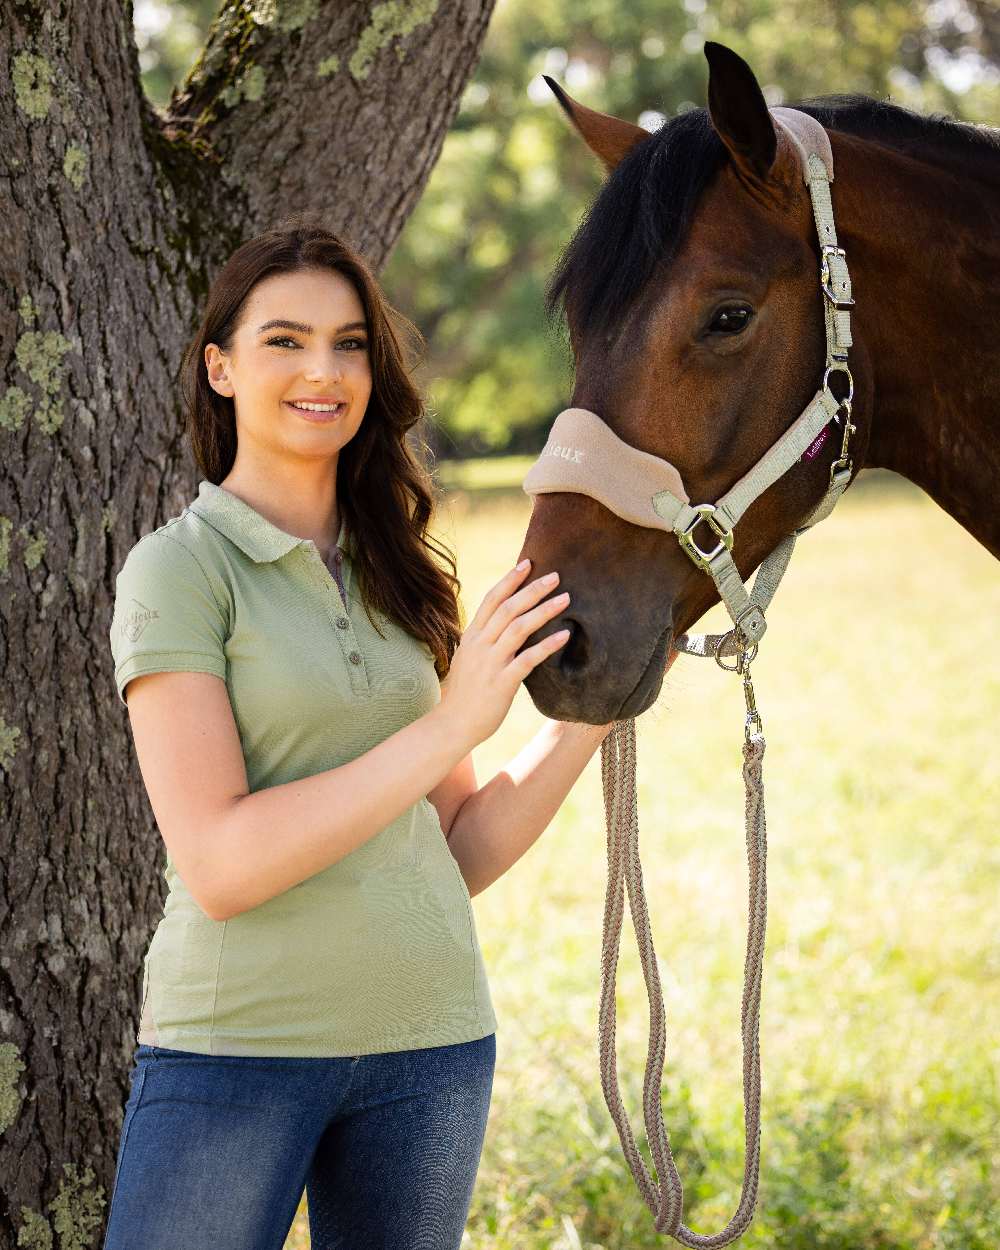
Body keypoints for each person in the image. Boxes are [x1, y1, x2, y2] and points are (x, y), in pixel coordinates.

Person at [102, 217, 613, 1250]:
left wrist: (591, 716)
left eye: (348, 343)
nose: (322, 369)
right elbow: (221, 862)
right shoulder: (179, 569)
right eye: (285, 340)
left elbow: (456, 842)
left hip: (432, 1045)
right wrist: (453, 720)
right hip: (235, 1048)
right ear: (221, 367)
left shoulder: (403, 570)